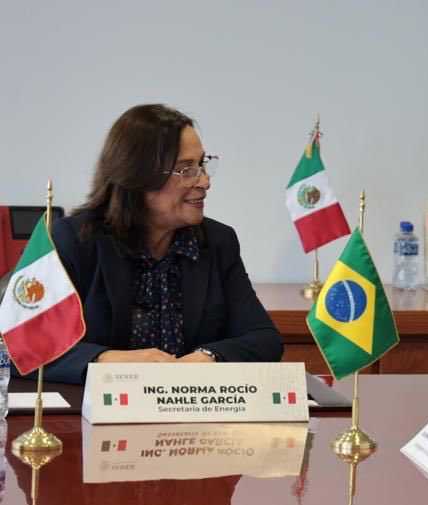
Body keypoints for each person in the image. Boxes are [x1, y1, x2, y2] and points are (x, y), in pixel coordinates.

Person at [41, 104, 282, 384]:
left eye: (202, 165)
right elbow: (19, 345)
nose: (205, 181)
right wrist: (105, 360)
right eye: (186, 169)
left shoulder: (217, 242)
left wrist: (208, 357)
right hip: (92, 408)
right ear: (137, 176)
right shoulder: (73, 240)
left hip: (189, 408)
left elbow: (264, 339)